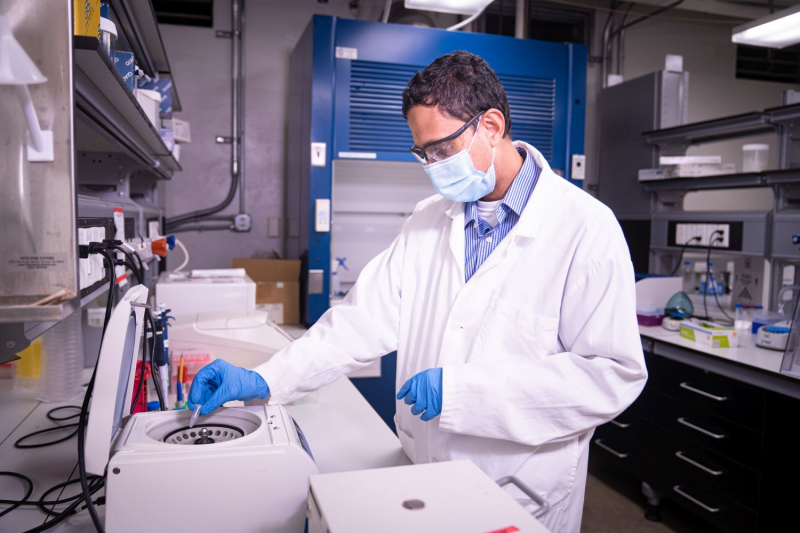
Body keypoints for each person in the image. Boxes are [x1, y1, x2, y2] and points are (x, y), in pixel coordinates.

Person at [188, 50, 647, 532]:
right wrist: (267, 379)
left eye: (441, 149)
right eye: (422, 152)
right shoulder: (430, 217)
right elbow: (359, 322)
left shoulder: (585, 228)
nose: (432, 166)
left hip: (519, 490)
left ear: (491, 126)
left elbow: (611, 374)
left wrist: (468, 393)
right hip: (422, 472)